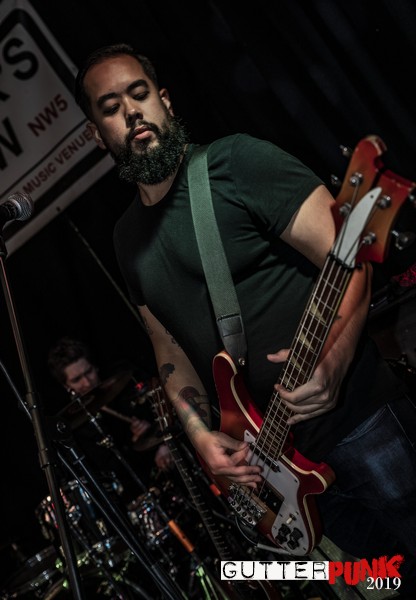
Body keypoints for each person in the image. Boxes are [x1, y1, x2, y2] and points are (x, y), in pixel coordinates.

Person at [74, 44, 416, 595]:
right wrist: (200, 436)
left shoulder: (237, 162)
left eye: (140, 94)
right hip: (279, 470)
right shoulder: (125, 239)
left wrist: (335, 359)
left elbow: (348, 256)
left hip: (359, 423)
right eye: (111, 107)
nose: (132, 112)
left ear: (165, 101)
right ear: (96, 133)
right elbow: (168, 348)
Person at [47, 336, 174, 481]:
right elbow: (114, 471)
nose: (87, 382)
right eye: (77, 380)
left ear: (95, 367)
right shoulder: (78, 427)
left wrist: (157, 437)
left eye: (88, 372)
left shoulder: (124, 384)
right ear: (66, 386)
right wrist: (136, 442)